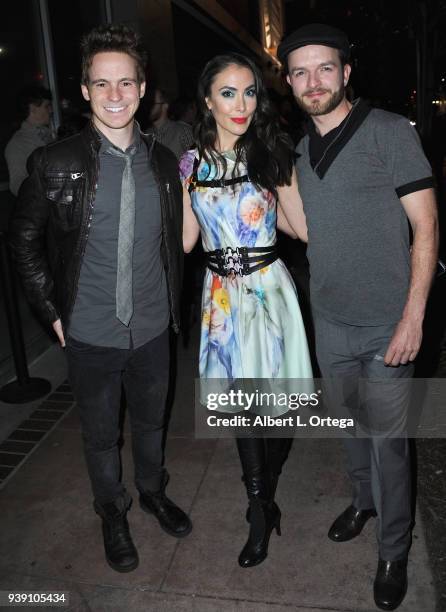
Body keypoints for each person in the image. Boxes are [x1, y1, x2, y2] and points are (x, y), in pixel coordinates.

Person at [9, 24, 191, 574]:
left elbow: (178, 242)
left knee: (152, 421)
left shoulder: (164, 164)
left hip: (155, 328)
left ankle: (153, 490)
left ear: (142, 87)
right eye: (102, 83)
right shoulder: (54, 162)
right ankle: (112, 510)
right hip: (88, 332)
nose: (115, 94)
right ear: (84, 91)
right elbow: (22, 241)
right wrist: (53, 315)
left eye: (126, 82)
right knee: (99, 434)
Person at [277, 23, 438, 610]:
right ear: (289, 82)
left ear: (346, 73)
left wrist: (413, 317)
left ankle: (394, 547)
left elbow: (427, 226)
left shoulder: (389, 132)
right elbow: (306, 233)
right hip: (331, 318)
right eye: (300, 71)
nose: (312, 81)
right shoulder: (296, 149)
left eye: (324, 68)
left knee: (388, 439)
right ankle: (364, 502)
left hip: (387, 320)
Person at [180, 53, 313, 568]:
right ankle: (259, 508)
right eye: (228, 93)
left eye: (250, 92)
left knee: (275, 411)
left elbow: (301, 229)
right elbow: (188, 240)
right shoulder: (191, 163)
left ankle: (269, 480)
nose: (240, 104)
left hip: (267, 291)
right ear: (208, 99)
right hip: (220, 300)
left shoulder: (273, 153)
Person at [5, 85, 54, 196]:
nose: (51, 111)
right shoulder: (17, 144)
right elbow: (17, 185)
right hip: (40, 210)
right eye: (47, 106)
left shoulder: (49, 135)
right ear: (32, 108)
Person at [147, 87, 194, 159]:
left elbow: (198, 162)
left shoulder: (183, 131)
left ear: (165, 105)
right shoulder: (145, 135)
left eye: (153, 103)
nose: (148, 107)